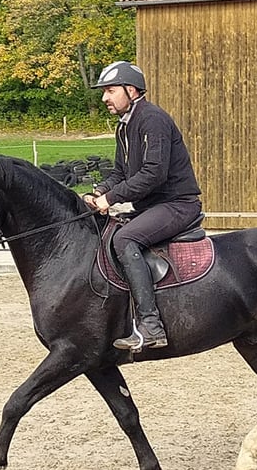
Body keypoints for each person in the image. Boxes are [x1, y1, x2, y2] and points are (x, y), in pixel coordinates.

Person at [84, 61, 202, 352]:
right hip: (152, 207)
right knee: (108, 233)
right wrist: (97, 192)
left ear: (132, 90)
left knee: (125, 238)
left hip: (177, 204)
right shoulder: (124, 127)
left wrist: (110, 200)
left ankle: (151, 326)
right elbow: (120, 173)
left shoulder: (152, 119)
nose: (105, 98)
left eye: (110, 91)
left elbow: (153, 173)